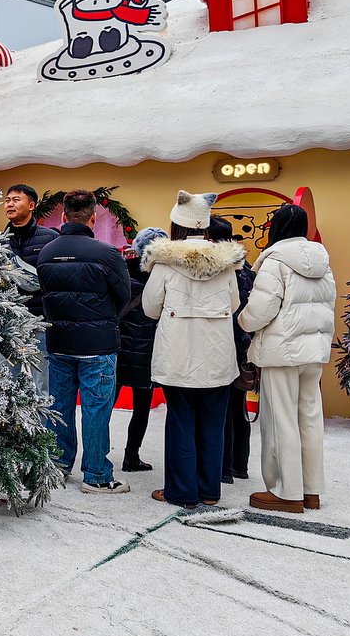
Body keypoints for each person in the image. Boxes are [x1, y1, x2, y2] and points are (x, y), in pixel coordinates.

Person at [142, 191, 244, 509]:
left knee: (181, 421)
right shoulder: (226, 264)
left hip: (177, 356)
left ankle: (181, 491)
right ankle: (210, 490)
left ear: (177, 224)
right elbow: (235, 304)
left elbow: (149, 307)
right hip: (217, 356)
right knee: (213, 423)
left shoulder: (164, 262)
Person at [238, 204, 335, 514]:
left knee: (281, 420)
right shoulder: (323, 261)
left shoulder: (274, 262)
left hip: (281, 352)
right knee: (309, 417)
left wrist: (242, 322)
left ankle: (287, 491)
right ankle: (311, 490)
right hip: (313, 351)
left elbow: (260, 312)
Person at [37, 190, 132, 494]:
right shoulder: (107, 254)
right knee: (96, 409)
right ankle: (97, 475)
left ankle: (59, 464)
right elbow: (124, 297)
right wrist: (104, 319)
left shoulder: (46, 253)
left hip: (59, 341)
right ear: (93, 217)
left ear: (64, 216)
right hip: (98, 344)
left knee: (60, 406)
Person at [208, 215, 256, 484]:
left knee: (223, 408)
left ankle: (224, 468)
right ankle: (240, 464)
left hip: (225, 343)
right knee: (239, 407)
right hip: (244, 344)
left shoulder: (223, 269)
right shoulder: (247, 268)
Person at [117, 227, 168, 472]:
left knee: (105, 406)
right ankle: (131, 457)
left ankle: (96, 455)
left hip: (117, 349)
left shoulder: (120, 273)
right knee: (141, 408)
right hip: (148, 352)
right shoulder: (163, 278)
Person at [3, 184, 58, 394]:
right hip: (7, 323)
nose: (9, 204)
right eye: (7, 200)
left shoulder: (50, 238)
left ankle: (45, 427)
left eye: (16, 199)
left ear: (32, 205)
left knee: (43, 385)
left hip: (40, 321)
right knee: (7, 383)